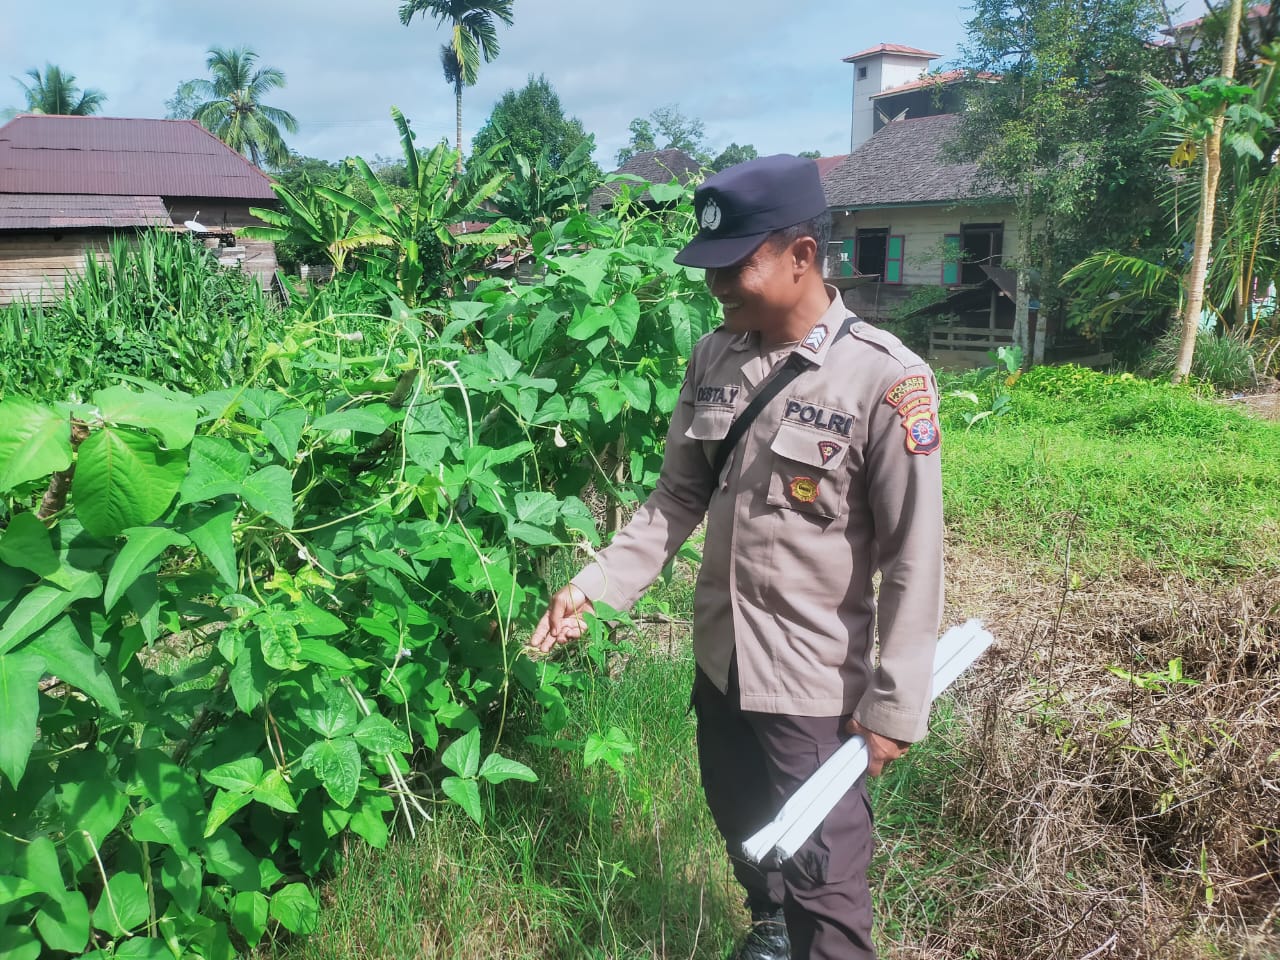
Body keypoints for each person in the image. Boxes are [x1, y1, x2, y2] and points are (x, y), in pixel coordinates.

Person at [529, 154, 944, 960]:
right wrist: (594, 586)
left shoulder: (885, 381)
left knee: (827, 886)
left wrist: (894, 707)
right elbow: (674, 499)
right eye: (709, 264)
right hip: (722, 668)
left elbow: (912, 557)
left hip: (811, 687)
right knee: (746, 826)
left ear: (801, 256)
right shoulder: (714, 358)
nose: (715, 283)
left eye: (735, 264)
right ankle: (771, 928)